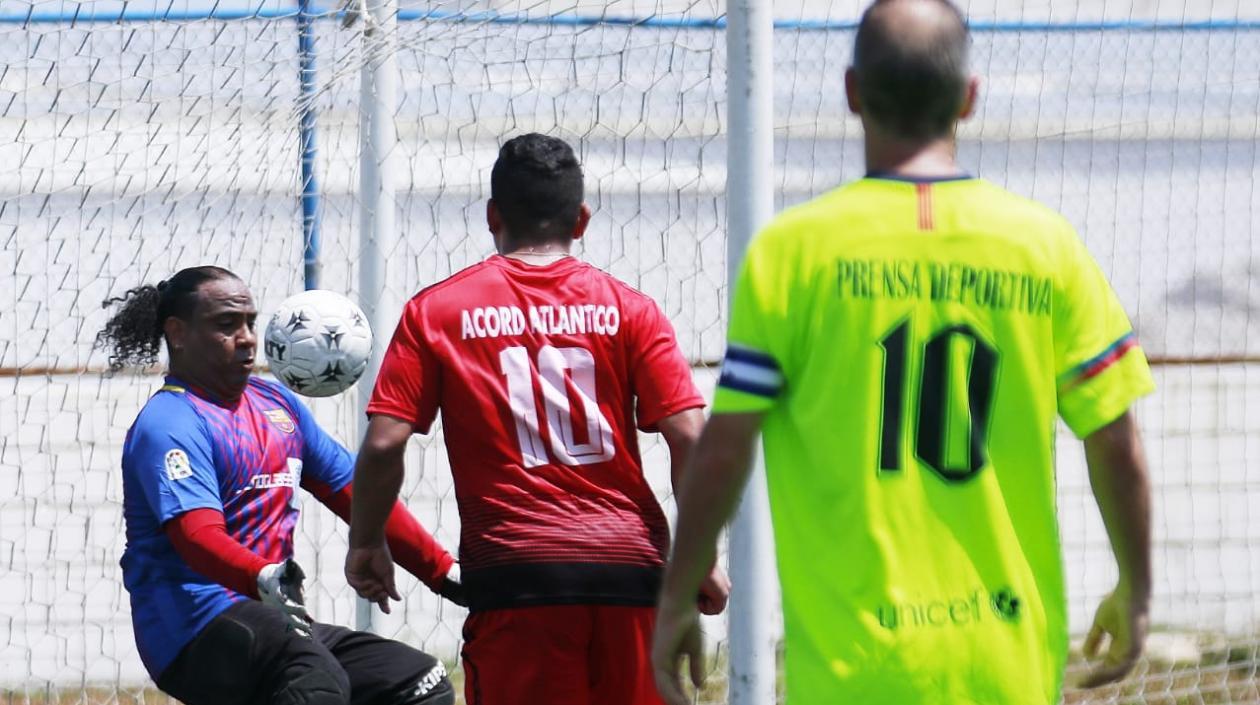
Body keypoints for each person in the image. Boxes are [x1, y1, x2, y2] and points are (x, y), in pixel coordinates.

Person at [652, 1, 1155, 703]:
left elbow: (726, 445)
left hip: (854, 666)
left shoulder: (793, 252)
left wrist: (680, 591)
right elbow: (1116, 440)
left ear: (853, 91)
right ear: (969, 99)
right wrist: (1135, 587)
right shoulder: (1044, 247)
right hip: (1005, 663)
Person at [344, 133, 731, 705]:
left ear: (492, 215)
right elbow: (692, 439)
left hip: (518, 580)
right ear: (582, 219)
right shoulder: (632, 309)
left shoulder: (437, 311)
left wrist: (367, 541)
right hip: (631, 575)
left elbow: (382, 445)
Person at [97, 265, 459, 705]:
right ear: (177, 333)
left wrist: (443, 572)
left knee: (416, 683)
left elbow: (356, 491)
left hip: (274, 619)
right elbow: (196, 536)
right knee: (313, 681)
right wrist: (263, 575)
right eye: (226, 325)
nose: (247, 337)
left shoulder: (276, 405)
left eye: (250, 321)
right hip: (192, 626)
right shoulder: (170, 422)